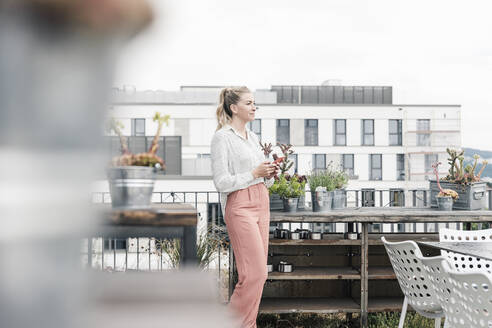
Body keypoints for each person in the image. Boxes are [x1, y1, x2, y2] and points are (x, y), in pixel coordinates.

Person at [210, 86, 278, 328]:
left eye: (254, 103)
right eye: (249, 103)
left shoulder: (254, 138)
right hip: (240, 205)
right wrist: (253, 172)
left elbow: (263, 178)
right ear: (234, 107)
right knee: (254, 274)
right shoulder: (222, 138)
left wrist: (269, 172)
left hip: (261, 200)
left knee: (260, 274)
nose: (254, 107)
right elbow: (221, 182)